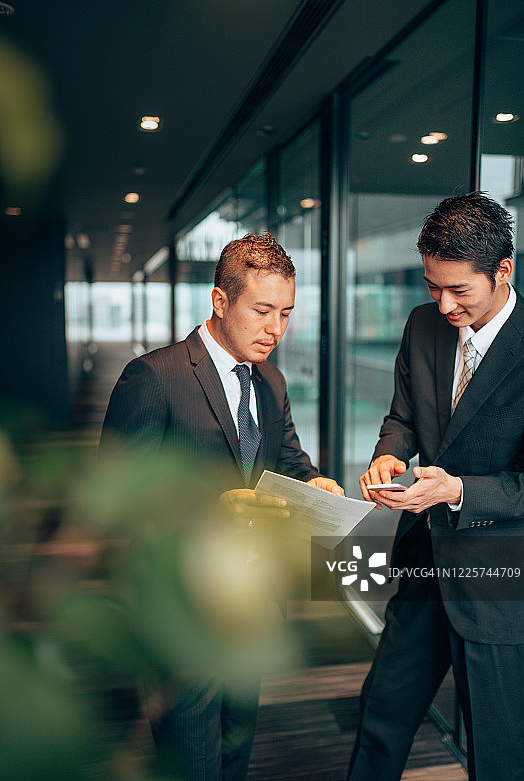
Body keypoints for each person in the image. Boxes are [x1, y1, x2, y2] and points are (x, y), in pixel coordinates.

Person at [101, 231, 342, 781]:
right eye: (262, 311)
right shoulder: (154, 377)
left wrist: (317, 484)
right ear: (219, 300)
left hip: (249, 606)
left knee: (236, 752)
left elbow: (286, 464)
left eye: (286, 313)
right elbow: (116, 503)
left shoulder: (272, 382)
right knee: (191, 762)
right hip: (179, 611)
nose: (275, 329)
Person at [347, 192, 524, 781]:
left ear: (503, 271)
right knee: (382, 710)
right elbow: (403, 417)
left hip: (501, 580)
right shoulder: (423, 325)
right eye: (433, 287)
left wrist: (455, 491)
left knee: (496, 754)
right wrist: (386, 457)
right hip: (426, 559)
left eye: (460, 290)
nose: (444, 304)